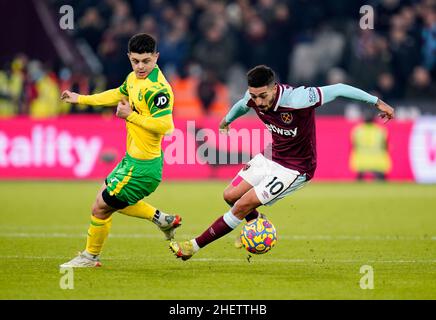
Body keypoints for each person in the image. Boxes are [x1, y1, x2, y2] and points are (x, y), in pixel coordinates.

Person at [169, 65, 394, 261]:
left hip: (296, 168)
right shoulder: (253, 96)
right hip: (271, 155)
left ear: (274, 88)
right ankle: (257, 224)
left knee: (241, 205)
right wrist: (227, 120)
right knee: (229, 196)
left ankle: (193, 246)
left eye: (262, 96)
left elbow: (339, 89)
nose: (258, 102)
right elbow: (242, 104)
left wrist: (377, 102)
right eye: (254, 96)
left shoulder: (299, 99)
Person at [60, 33, 182, 267]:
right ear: (129, 57)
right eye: (135, 61)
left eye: (146, 61)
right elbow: (117, 93)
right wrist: (80, 99)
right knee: (103, 198)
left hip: (143, 167)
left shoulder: (158, 90)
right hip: (131, 160)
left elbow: (166, 127)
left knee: (101, 207)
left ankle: (90, 257)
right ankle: (161, 219)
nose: (140, 66)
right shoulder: (133, 79)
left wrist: (130, 115)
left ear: (156, 57)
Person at [350, 112, 391, 181]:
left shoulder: (357, 131)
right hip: (378, 161)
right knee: (381, 184)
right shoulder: (380, 131)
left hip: (361, 161)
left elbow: (353, 146)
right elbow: (386, 146)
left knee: (359, 185)